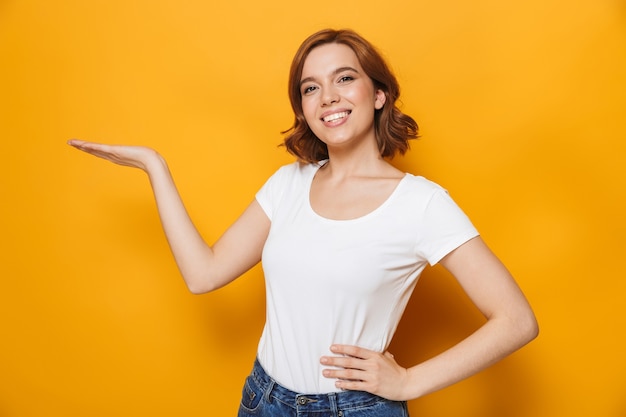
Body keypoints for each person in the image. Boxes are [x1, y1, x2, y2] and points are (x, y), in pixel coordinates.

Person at [68, 28, 538, 417]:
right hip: (263, 399)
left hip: (354, 410)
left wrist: (411, 380)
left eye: (345, 79)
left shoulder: (422, 205)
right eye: (310, 87)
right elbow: (203, 274)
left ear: (379, 94)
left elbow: (516, 320)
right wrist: (155, 167)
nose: (327, 97)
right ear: (303, 108)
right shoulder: (288, 184)